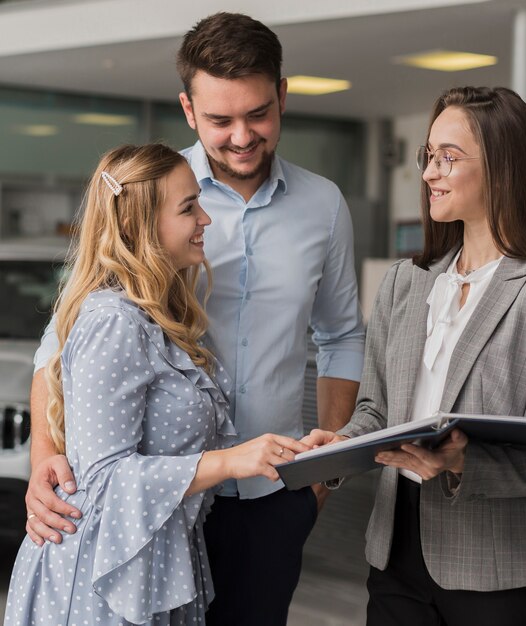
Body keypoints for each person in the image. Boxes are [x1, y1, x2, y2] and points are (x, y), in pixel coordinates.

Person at [24, 12, 365, 626]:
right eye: (219, 119)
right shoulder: (147, 192)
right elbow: (61, 342)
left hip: (273, 497)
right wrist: (44, 458)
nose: (241, 135)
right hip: (155, 508)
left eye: (257, 113)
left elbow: (340, 337)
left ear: (283, 96)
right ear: (187, 107)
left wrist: (322, 478)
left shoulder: (325, 206)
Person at [303, 86, 526, 626]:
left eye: (449, 157)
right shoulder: (405, 283)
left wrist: (461, 462)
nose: (429, 173)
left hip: (494, 570)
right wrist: (337, 444)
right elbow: (377, 410)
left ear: (503, 168)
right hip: (393, 558)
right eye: (428, 156)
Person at [5, 143, 310, 625]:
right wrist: (230, 461)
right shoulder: (113, 321)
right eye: (189, 207)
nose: (205, 219)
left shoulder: (158, 318)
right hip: (102, 577)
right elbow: (104, 482)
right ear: (136, 227)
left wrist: (292, 453)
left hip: (151, 563)